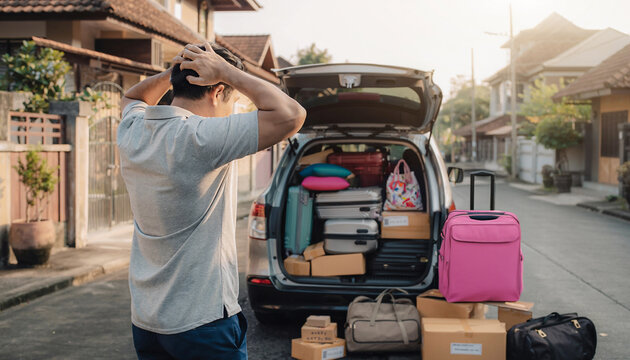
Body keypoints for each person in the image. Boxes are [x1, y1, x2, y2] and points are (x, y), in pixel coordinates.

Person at [117, 42, 306, 360]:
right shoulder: (201, 137)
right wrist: (228, 71)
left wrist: (175, 71)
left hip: (147, 321)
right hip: (201, 323)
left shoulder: (132, 130)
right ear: (217, 90)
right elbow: (292, 115)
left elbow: (133, 97)